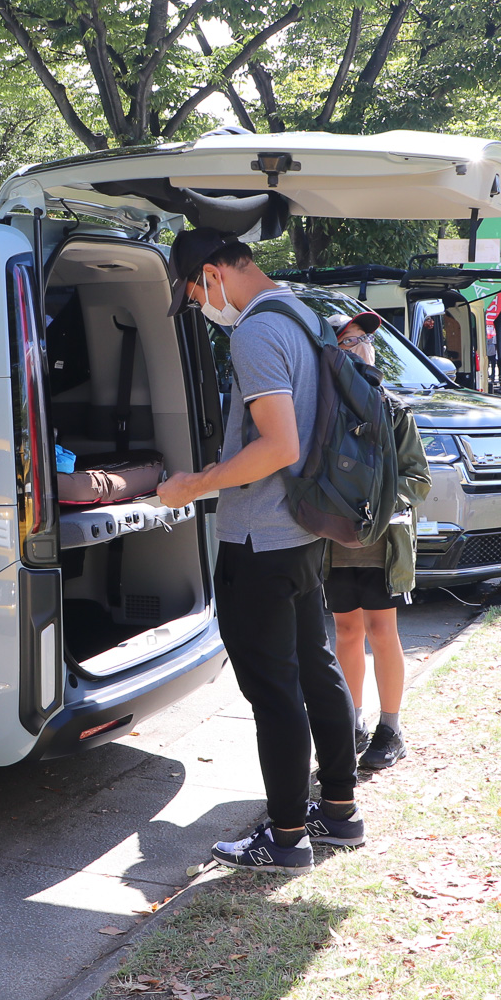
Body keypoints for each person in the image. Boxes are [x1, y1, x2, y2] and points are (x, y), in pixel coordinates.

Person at [156, 227, 364, 871]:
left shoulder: (253, 332)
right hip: (301, 529)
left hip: (257, 537)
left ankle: (286, 837)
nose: (200, 306)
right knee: (317, 669)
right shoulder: (304, 314)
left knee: (274, 693)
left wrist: (194, 485)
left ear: (212, 274)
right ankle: (339, 811)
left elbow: (279, 445)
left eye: (195, 295)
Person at [323, 312, 430, 773]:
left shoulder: (393, 410)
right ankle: (352, 722)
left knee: (382, 631)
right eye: (349, 341)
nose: (362, 345)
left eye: (364, 338)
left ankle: (391, 729)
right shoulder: (318, 410)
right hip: (333, 544)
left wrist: (379, 504)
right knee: (346, 632)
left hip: (382, 543)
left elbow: (418, 478)